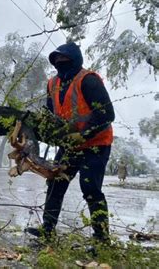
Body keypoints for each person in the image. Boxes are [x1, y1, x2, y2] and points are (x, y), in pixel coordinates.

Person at [25, 42, 115, 242]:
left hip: (96, 144)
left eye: (64, 60)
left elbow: (107, 114)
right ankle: (47, 229)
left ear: (75, 60)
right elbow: (50, 113)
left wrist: (83, 136)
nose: (60, 63)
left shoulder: (89, 81)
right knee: (56, 183)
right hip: (69, 146)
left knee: (90, 188)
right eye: (57, 61)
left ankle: (102, 239)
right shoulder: (52, 84)